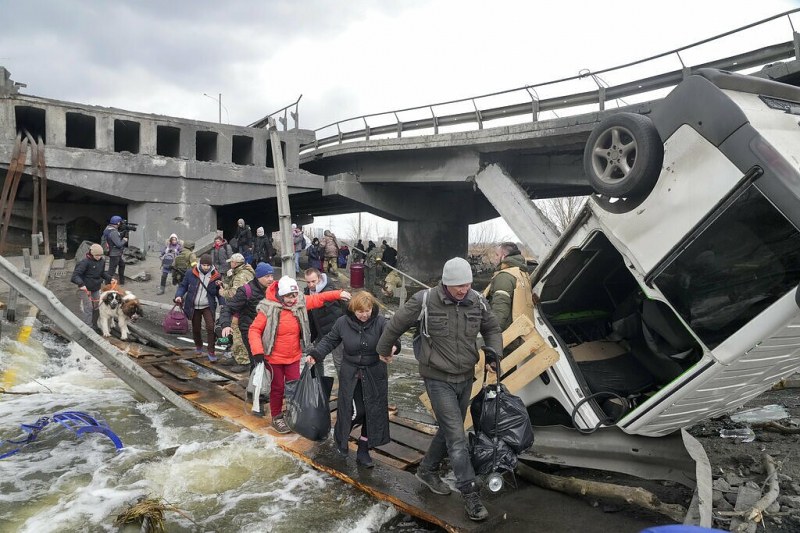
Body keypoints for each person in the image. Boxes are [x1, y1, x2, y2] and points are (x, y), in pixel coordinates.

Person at [376, 257, 502, 522]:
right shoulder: (425, 300)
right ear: (445, 283)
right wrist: (384, 349)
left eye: (466, 284)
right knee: (458, 436)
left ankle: (427, 470)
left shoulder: (477, 300)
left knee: (449, 428)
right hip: (437, 377)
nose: (462, 290)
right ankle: (470, 493)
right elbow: (396, 323)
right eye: (457, 285)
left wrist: (493, 355)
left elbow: (492, 328)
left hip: (466, 376)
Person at [306, 291, 399, 467]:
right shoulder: (342, 323)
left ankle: (363, 449)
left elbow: (392, 338)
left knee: (372, 412)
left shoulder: (380, 322)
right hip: (351, 374)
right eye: (360, 312)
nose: (364, 315)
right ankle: (341, 438)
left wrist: (393, 348)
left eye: (368, 310)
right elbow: (330, 340)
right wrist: (316, 354)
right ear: (353, 310)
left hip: (375, 373)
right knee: (356, 410)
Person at [248, 275, 351, 434]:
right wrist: (257, 351)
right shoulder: (268, 308)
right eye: (289, 296)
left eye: (295, 295)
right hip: (273, 357)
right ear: (281, 295)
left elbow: (319, 299)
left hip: (293, 356)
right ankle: (277, 416)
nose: (293, 299)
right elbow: (254, 330)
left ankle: (291, 413)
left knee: (294, 386)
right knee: (278, 388)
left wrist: (338, 294)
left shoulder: (300, 303)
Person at [218, 262, 275, 372]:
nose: (270, 279)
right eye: (267, 276)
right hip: (250, 330)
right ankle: (255, 385)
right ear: (258, 277)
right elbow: (228, 307)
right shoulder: (246, 290)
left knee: (269, 361)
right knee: (256, 361)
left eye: (272, 276)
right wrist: (225, 324)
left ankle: (267, 385)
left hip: (268, 330)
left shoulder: (273, 289)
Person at [484, 242, 534, 354]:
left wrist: (491, 337)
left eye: (497, 255)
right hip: (520, 333)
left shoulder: (504, 277)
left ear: (503, 257)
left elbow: (500, 310)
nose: (494, 258)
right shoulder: (521, 272)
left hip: (507, 337)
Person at [175, 254, 225, 362]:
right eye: (204, 265)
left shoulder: (216, 275)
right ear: (200, 264)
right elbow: (183, 286)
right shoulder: (191, 273)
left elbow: (219, 292)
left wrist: (222, 303)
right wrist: (178, 296)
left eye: (208, 265)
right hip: (194, 306)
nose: (206, 267)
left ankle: (211, 351)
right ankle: (198, 345)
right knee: (196, 328)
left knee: (211, 327)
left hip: (208, 306)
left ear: (211, 265)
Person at [303, 267, 345, 376]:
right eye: (308, 282)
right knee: (316, 359)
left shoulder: (329, 289)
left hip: (335, 332)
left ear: (320, 278)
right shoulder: (307, 291)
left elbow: (323, 300)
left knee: (339, 362)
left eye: (313, 281)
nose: (311, 284)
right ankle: (319, 386)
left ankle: (345, 389)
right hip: (319, 332)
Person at [219, 253, 255, 372]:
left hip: (241, 309)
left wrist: (223, 292)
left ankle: (244, 361)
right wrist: (225, 284)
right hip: (241, 308)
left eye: (231, 262)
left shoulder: (241, 276)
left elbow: (235, 294)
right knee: (235, 333)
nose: (230, 264)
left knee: (238, 334)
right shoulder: (240, 273)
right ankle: (236, 356)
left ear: (235, 263)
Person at [71, 243, 112, 329]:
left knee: (97, 307)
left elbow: (102, 273)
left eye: (100, 255)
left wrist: (109, 278)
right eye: (97, 255)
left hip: (95, 287)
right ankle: (88, 327)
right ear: (92, 254)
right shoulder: (85, 262)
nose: (99, 257)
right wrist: (81, 284)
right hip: (84, 288)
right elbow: (75, 276)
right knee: (89, 307)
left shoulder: (102, 261)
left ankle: (94, 325)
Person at [103, 215, 127, 285]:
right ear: (118, 223)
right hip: (114, 254)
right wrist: (124, 240)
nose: (121, 223)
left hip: (115, 253)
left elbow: (113, 238)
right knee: (111, 271)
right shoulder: (113, 232)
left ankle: (122, 282)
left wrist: (121, 233)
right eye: (120, 222)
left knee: (122, 265)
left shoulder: (108, 228)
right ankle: (107, 284)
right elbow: (119, 244)